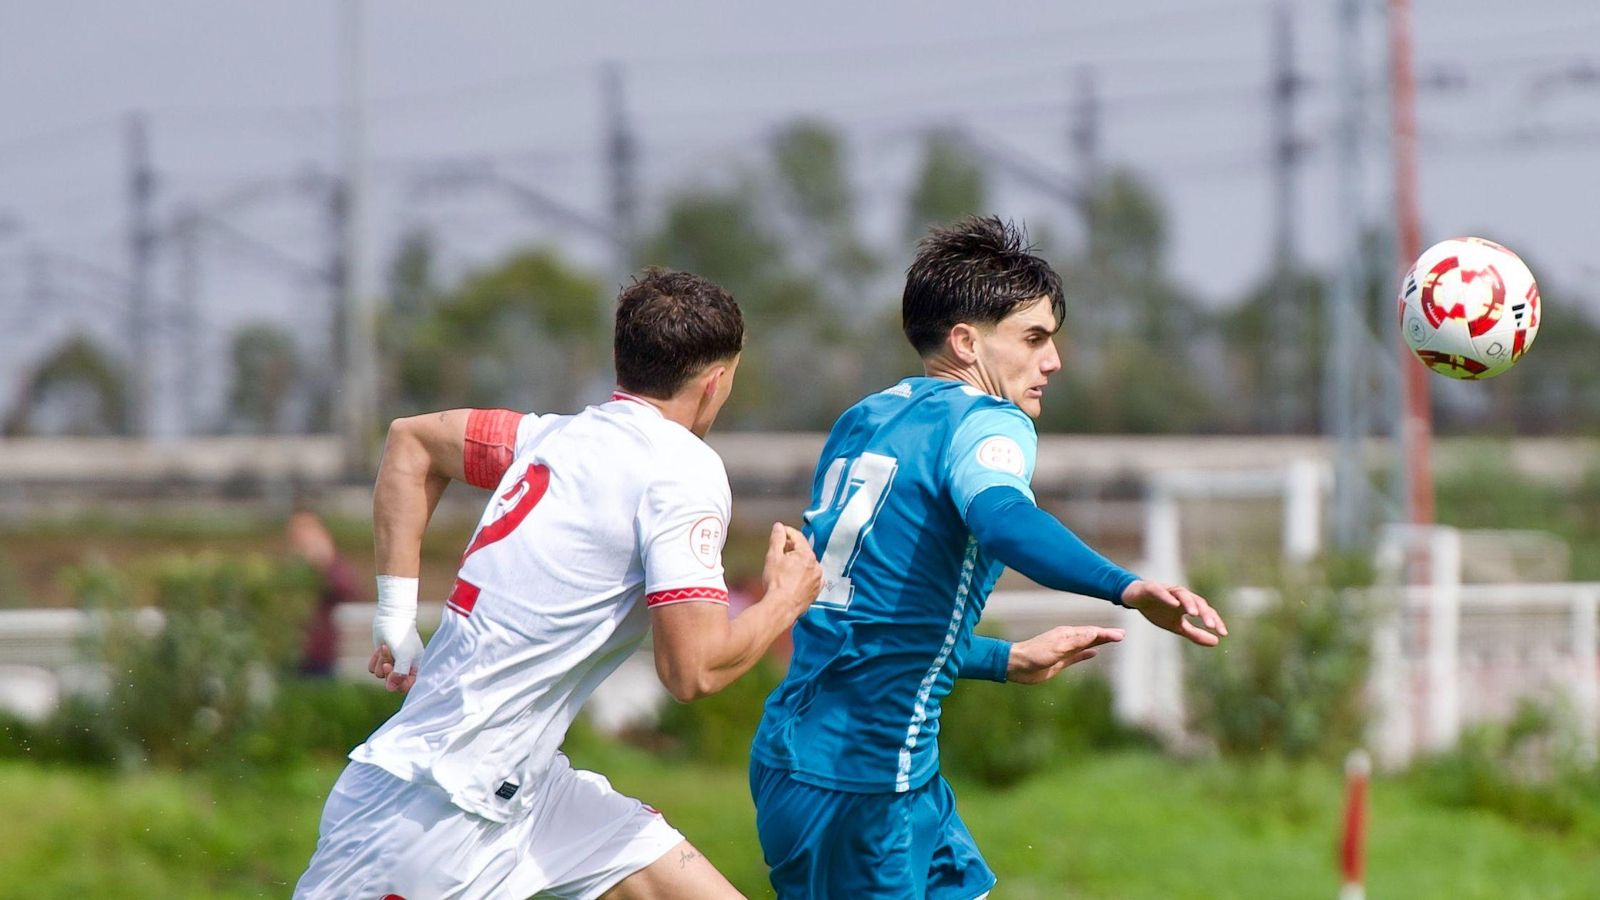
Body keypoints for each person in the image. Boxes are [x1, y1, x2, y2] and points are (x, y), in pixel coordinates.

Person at [296, 268, 823, 899]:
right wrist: (786, 598)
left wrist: (394, 614)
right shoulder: (683, 468)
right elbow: (693, 670)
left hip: (529, 791)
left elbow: (413, 442)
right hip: (433, 811)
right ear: (715, 382)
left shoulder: (547, 437)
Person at [749, 217, 1230, 899]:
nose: (1053, 360)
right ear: (967, 342)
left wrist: (1006, 659)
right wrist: (1125, 587)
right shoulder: (986, 420)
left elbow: (870, 620)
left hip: (833, 760)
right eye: (1033, 338)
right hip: (864, 779)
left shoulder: (865, 419)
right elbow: (1003, 519)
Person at [286, 507, 362, 677]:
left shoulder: (330, 566)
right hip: (291, 653)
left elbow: (347, 590)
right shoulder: (288, 568)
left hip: (320, 655)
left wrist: (325, 562)